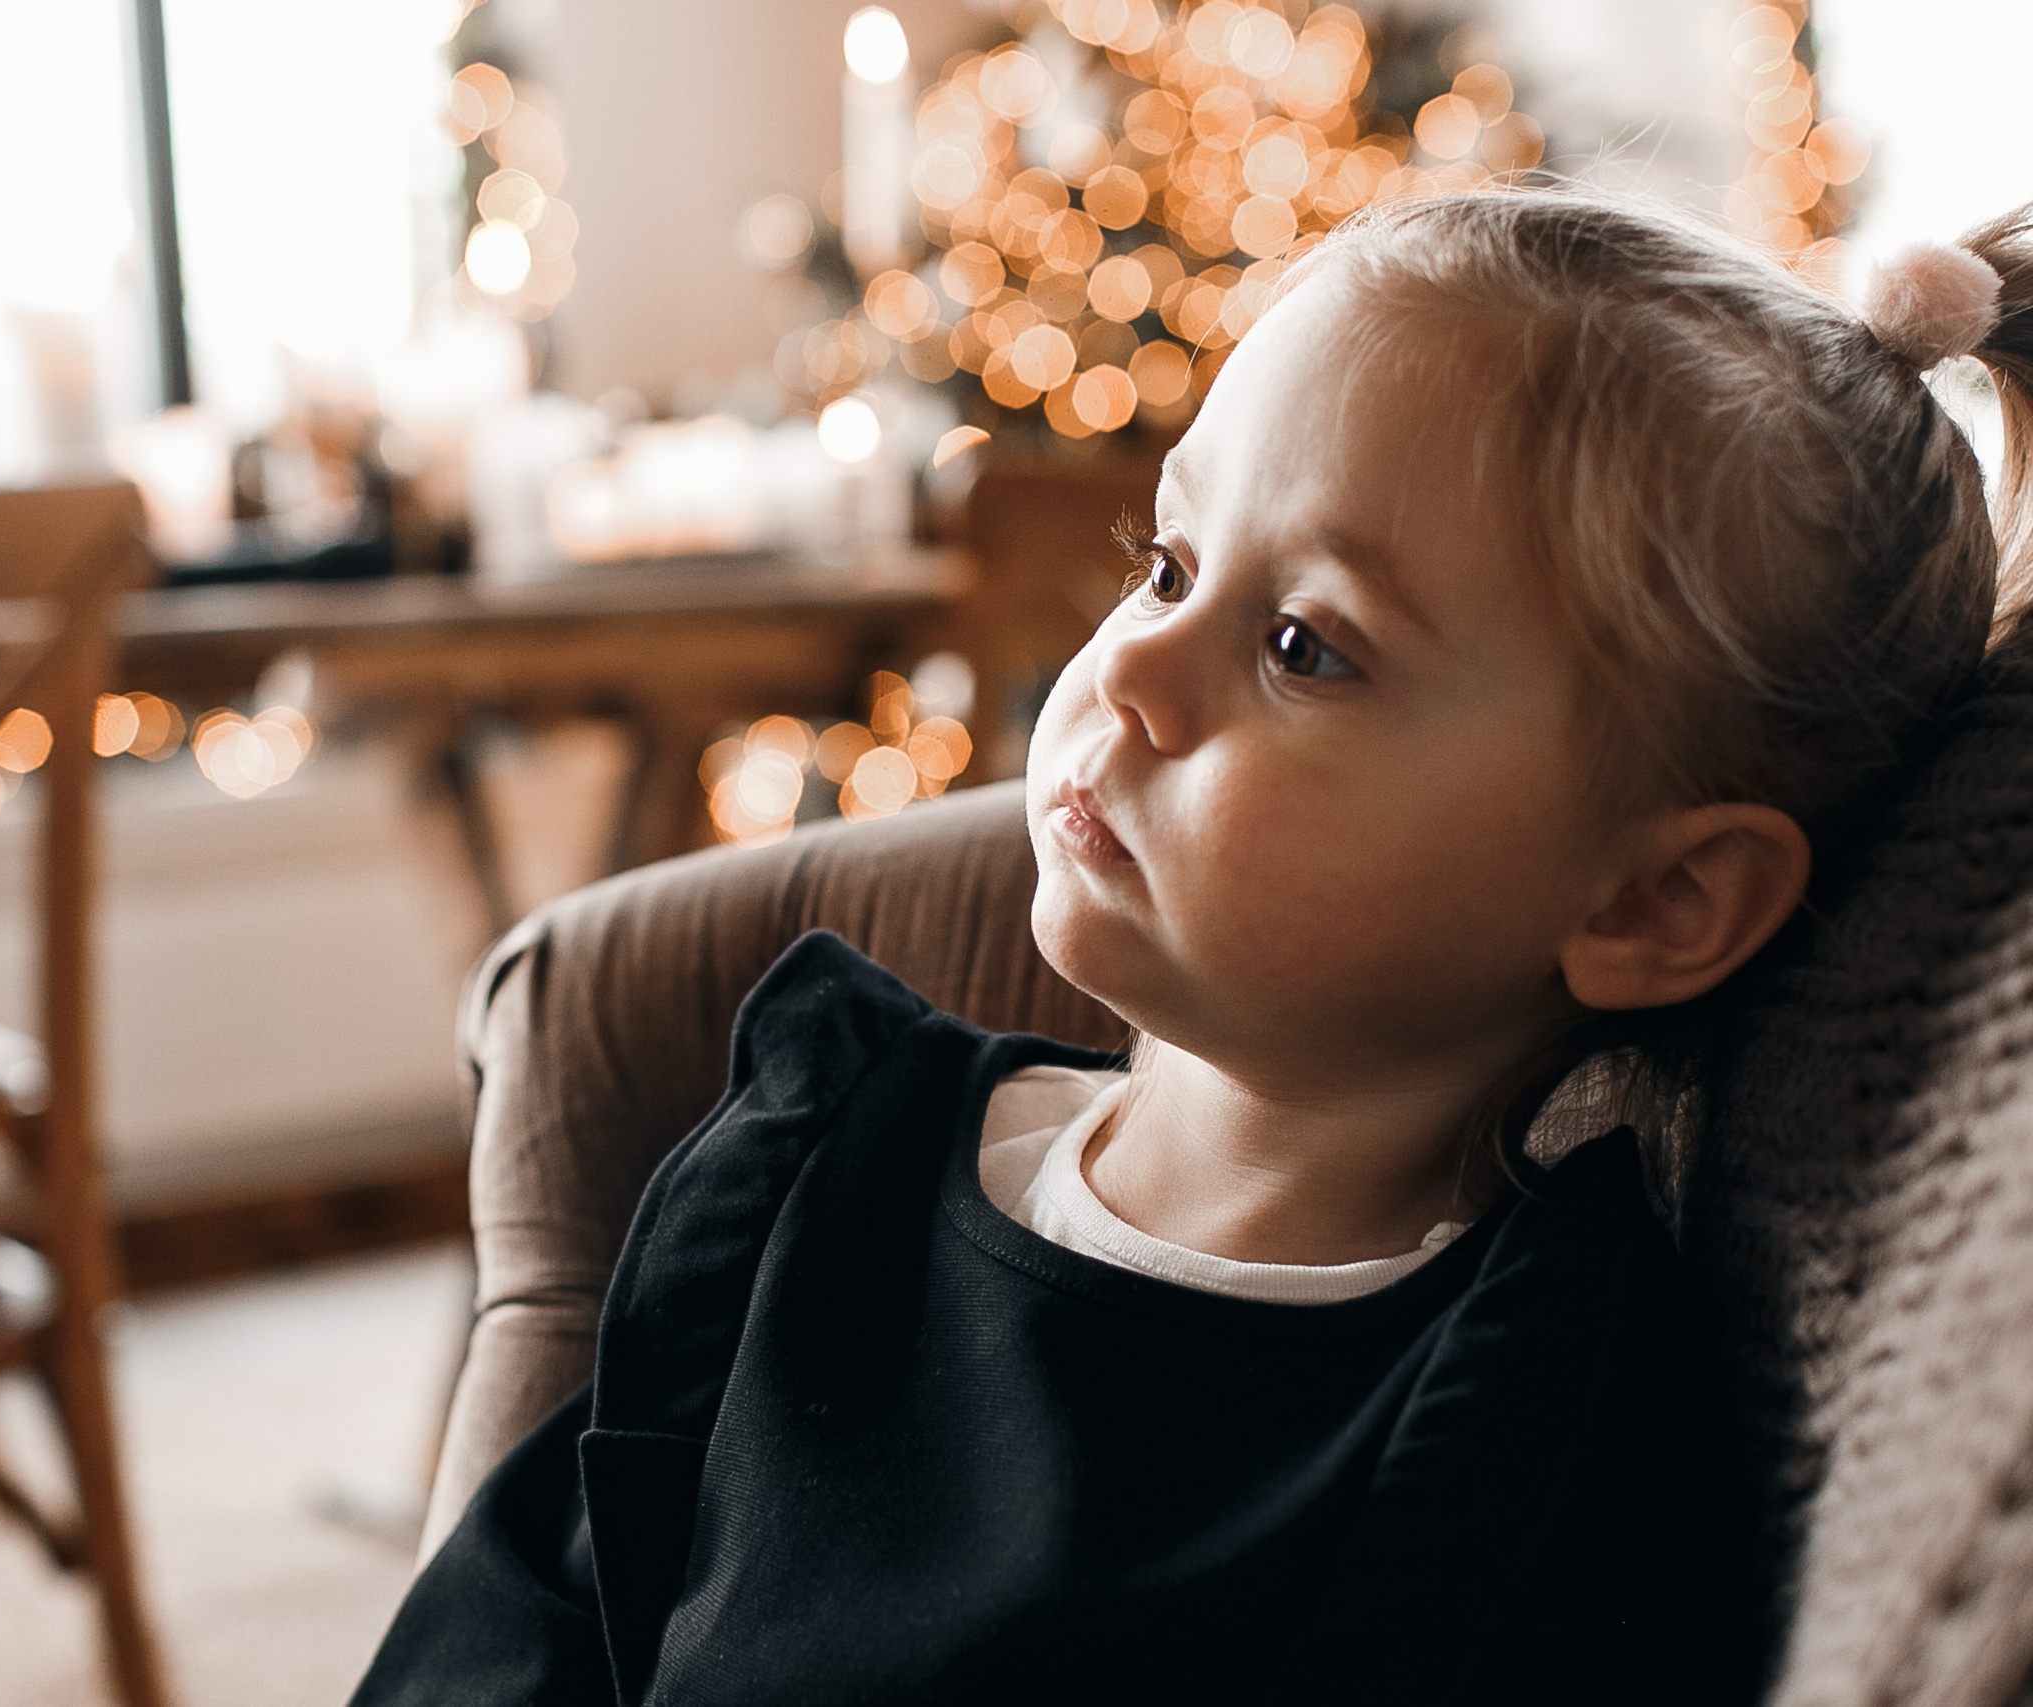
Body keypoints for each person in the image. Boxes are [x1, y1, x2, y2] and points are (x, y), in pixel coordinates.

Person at [353, 189, 2033, 1705]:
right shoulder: (817, 1158)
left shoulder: (1547, 1429)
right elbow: (509, 1643)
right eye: (1165, 563)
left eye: (1306, 645)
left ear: (1651, 903)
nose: (1128, 677)